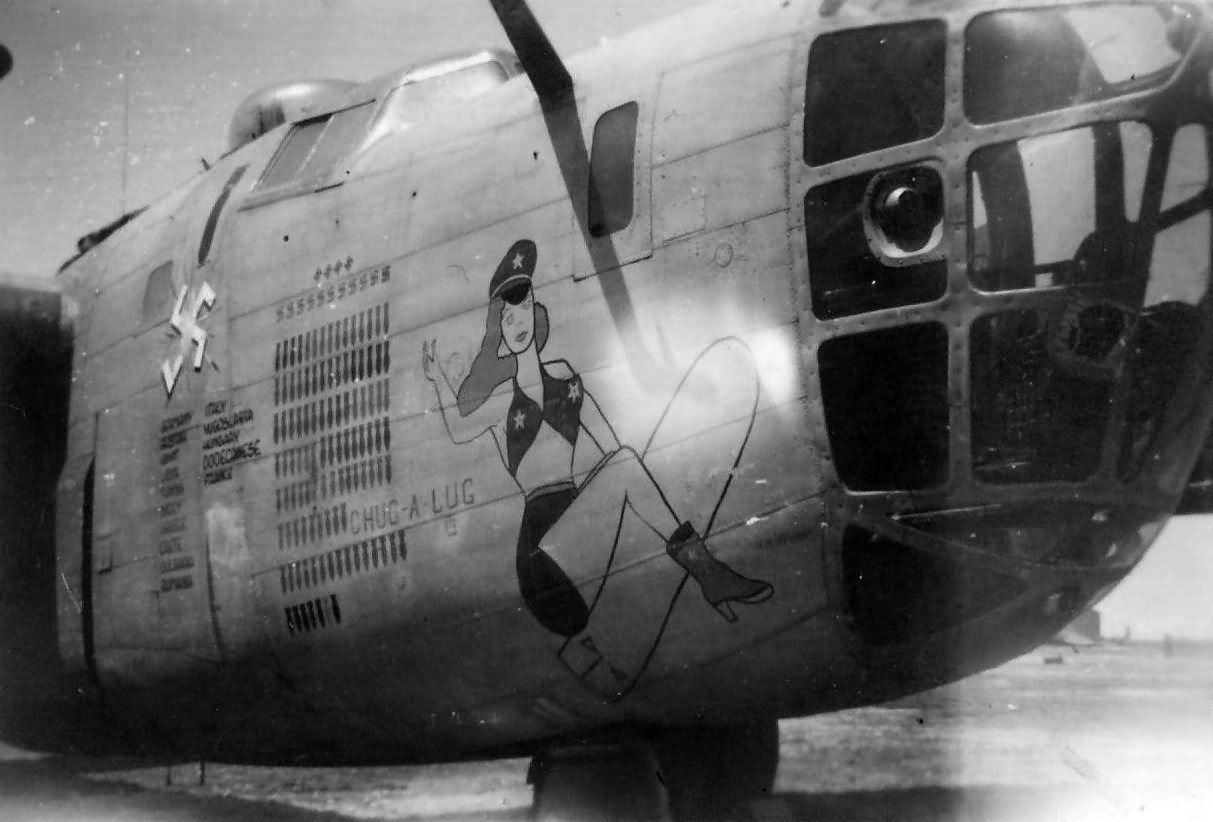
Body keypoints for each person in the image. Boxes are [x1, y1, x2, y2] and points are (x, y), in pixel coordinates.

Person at [421, 240, 772, 649]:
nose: (517, 321)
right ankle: (709, 575)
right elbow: (461, 430)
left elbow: (611, 450)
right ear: (499, 327)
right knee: (623, 465)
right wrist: (438, 382)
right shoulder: (501, 397)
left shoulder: (566, 378)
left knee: (623, 462)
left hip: (582, 533)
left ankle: (706, 576)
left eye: (523, 306)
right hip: (543, 556)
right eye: (507, 314)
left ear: (535, 308)